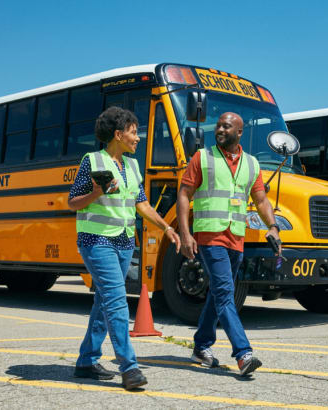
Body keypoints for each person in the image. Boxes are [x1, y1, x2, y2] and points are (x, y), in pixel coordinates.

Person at [68, 106, 180, 390]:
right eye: (133, 132)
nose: (137, 138)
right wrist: (96, 192)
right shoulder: (92, 161)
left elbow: (141, 204)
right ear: (118, 135)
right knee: (117, 299)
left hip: (124, 240)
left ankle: (86, 361)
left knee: (103, 301)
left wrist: (167, 228)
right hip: (96, 240)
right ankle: (129, 367)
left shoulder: (131, 167)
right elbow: (72, 202)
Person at [176, 112, 281, 376]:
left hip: (236, 236)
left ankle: (201, 345)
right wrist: (186, 234)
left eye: (226, 126)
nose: (220, 129)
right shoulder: (202, 157)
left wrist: (273, 227)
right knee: (225, 293)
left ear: (239, 132)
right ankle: (243, 354)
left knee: (218, 294)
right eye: (219, 125)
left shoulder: (251, 163)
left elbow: (261, 200)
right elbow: (184, 194)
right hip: (210, 235)